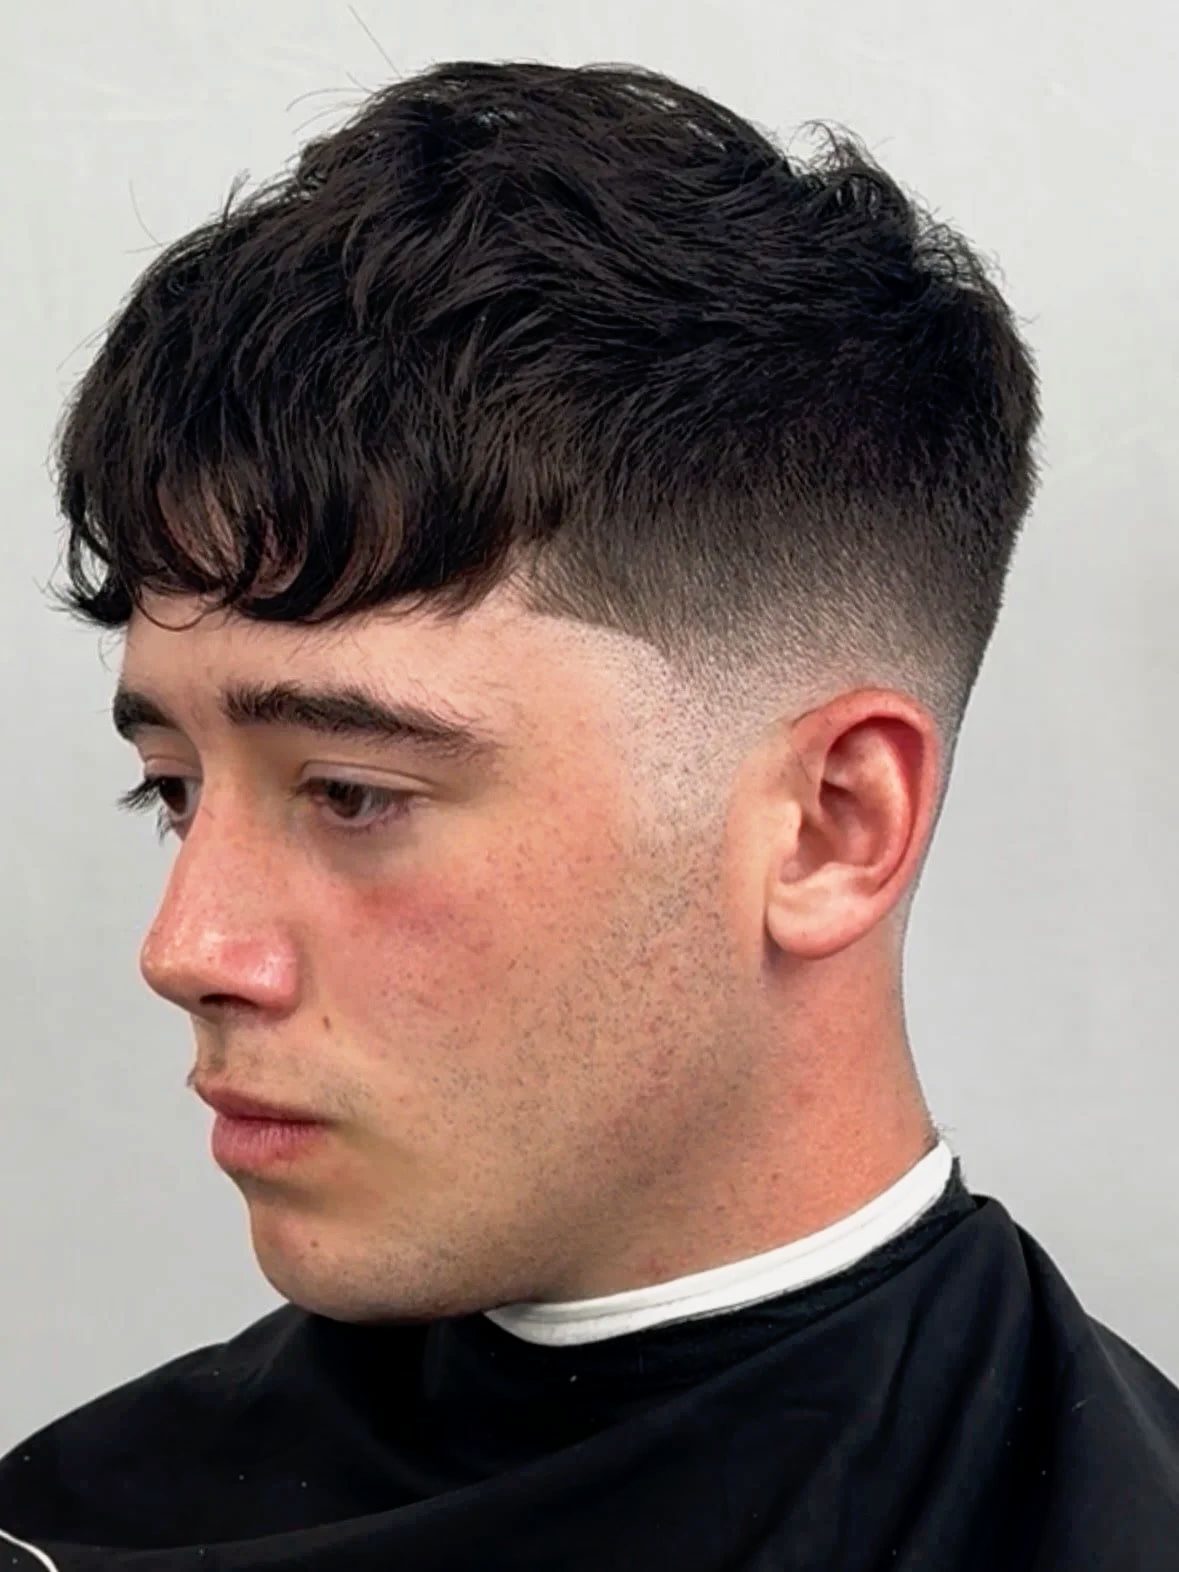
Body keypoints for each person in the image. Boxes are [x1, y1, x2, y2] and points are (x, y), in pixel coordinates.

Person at [1, 57, 1175, 1572]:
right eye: (171, 791)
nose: (190, 949)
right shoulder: (62, 1520)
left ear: (828, 827)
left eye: (354, 793)